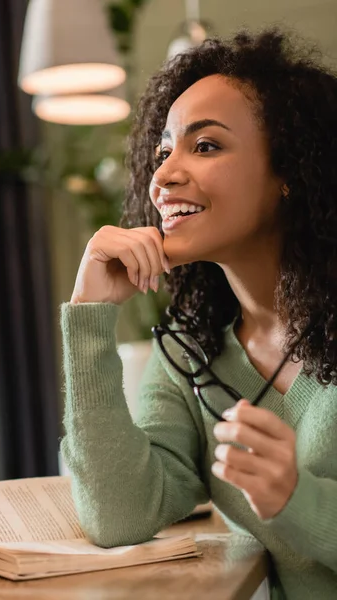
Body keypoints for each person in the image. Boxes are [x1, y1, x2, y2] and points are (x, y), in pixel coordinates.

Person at [60, 27, 337, 599]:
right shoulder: (193, 351)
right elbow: (117, 516)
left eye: (205, 146)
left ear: (289, 171)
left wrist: (297, 499)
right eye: (163, 152)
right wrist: (89, 316)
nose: (163, 176)